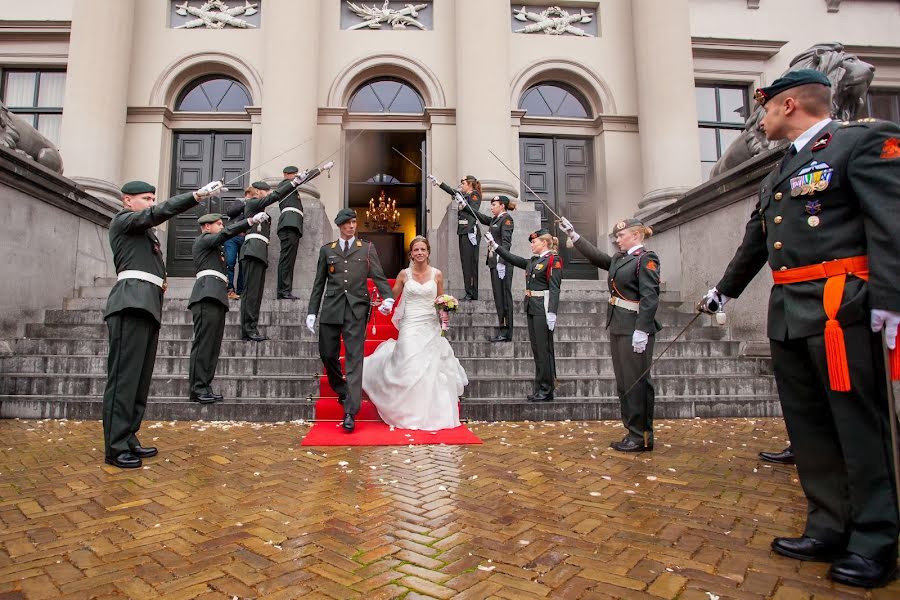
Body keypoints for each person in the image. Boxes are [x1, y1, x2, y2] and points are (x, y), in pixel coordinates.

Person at [698, 69, 900, 588]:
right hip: (789, 311)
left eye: (764, 108)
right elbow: (755, 244)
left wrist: (891, 300)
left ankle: (875, 539)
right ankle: (828, 525)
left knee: (857, 428)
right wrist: (724, 290)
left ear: (788, 105)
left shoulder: (859, 143)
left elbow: (891, 221)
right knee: (809, 429)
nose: (759, 120)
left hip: (842, 310)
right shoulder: (779, 172)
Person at [102, 178, 225, 469]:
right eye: (145, 198)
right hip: (129, 303)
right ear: (127, 201)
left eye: (151, 198)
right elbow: (157, 214)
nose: (150, 203)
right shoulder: (124, 221)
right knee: (123, 379)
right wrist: (194, 196)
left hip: (147, 304)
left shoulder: (144, 234)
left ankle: (129, 436)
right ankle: (115, 445)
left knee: (140, 380)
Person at [560, 217, 661, 452]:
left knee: (637, 382)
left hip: (635, 328)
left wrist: (642, 330)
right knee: (625, 383)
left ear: (635, 236)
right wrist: (575, 236)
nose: (617, 240)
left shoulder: (646, 259)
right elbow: (599, 258)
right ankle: (632, 431)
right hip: (618, 326)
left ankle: (642, 435)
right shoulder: (620, 259)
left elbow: (650, 297)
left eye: (621, 236)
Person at [362, 236, 467, 429]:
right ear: (411, 253)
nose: (419, 253)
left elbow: (441, 299)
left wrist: (445, 318)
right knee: (408, 362)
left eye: (422, 249)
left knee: (430, 367)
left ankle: (426, 410)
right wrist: (383, 299)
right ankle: (404, 409)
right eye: (416, 250)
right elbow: (393, 295)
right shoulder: (404, 274)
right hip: (410, 323)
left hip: (429, 324)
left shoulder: (437, 274)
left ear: (428, 252)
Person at [306, 208, 394, 433]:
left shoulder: (366, 249)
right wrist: (312, 312)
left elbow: (378, 275)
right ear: (340, 226)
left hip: (356, 310)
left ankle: (350, 411)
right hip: (331, 309)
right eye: (347, 223)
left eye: (354, 222)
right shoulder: (328, 251)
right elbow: (319, 284)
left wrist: (388, 297)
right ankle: (341, 388)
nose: (352, 226)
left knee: (355, 360)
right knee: (327, 354)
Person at [188, 210, 268, 404]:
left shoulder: (216, 248)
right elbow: (226, 235)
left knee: (213, 347)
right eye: (218, 224)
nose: (222, 227)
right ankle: (197, 388)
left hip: (216, 296)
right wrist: (249, 220)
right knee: (204, 345)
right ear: (207, 227)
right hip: (206, 295)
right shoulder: (204, 240)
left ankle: (205, 385)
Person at [487, 229, 562, 402]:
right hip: (532, 307)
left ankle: (546, 389)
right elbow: (515, 259)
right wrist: (496, 246)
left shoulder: (552, 260)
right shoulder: (535, 261)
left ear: (544, 242)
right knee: (537, 351)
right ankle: (540, 387)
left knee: (544, 351)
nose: (531, 244)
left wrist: (552, 312)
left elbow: (555, 288)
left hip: (543, 308)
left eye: (534, 242)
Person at [238, 177, 300, 342]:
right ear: (258, 192)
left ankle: (252, 327)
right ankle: (247, 329)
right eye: (266, 193)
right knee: (250, 293)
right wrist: (293, 183)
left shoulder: (264, 214)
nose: (269, 196)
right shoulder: (252, 204)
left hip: (259, 253)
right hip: (251, 251)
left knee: (256, 295)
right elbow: (273, 197)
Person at [428, 173, 481, 300]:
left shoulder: (474, 195)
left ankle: (472, 293)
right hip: (462, 231)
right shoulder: (464, 195)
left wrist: (464, 204)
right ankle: (469, 291)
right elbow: (452, 191)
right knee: (465, 263)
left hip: (470, 231)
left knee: (470, 264)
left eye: (463, 183)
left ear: (470, 184)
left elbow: (473, 212)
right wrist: (439, 183)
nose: (461, 185)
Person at [475, 195, 516, 342]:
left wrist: (501, 261)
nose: (491, 207)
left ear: (502, 206)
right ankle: (502, 328)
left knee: (504, 299)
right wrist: (464, 204)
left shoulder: (506, 219)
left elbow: (506, 243)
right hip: (494, 263)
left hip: (502, 264)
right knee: (499, 299)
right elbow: (480, 217)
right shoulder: (495, 219)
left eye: (494, 205)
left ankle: (506, 332)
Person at [276, 165, 304, 300]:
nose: (296, 176)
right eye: (294, 174)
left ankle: (285, 290)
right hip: (289, 225)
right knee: (287, 260)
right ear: (286, 175)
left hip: (293, 226)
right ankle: (283, 291)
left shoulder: (291, 187)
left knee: (289, 260)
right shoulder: (285, 184)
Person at [223, 187, 251, 300]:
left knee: (243, 265)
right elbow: (230, 212)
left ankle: (241, 291)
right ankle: (229, 290)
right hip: (233, 237)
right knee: (230, 262)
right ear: (246, 194)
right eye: (250, 195)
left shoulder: (256, 205)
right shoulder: (238, 202)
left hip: (245, 237)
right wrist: (245, 202)